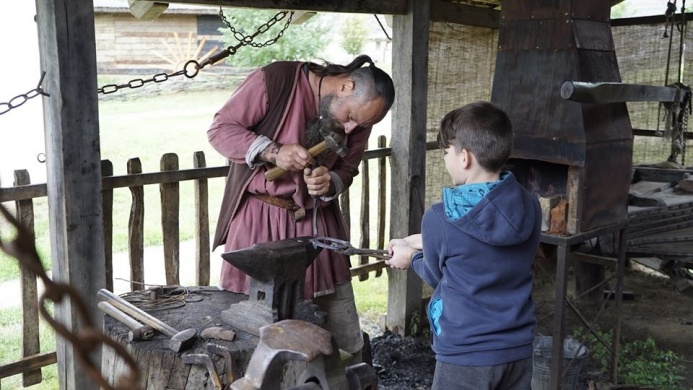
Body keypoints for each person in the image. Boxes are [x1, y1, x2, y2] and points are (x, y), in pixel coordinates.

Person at [208, 54, 395, 363]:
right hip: (261, 222)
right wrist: (272, 151)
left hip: (319, 228)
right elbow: (221, 129)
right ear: (346, 86)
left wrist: (330, 181)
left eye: (359, 126)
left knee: (341, 338)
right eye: (349, 117)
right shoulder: (276, 81)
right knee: (255, 332)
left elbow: (347, 168)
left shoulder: (360, 118)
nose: (349, 130)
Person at [386, 101, 541, 389]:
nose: (444, 159)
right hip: (518, 347)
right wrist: (412, 242)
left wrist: (410, 258)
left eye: (446, 152)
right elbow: (480, 249)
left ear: (465, 157)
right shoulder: (529, 204)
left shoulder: (439, 217)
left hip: (467, 352)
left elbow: (436, 275)